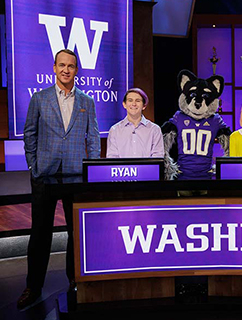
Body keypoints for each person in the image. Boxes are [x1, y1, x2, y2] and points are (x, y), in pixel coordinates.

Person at [19, 49, 101, 309]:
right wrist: (34, 166)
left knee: (75, 232)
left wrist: (93, 169)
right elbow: (29, 134)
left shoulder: (87, 102)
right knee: (40, 234)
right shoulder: (39, 99)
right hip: (45, 175)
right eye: (62, 65)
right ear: (54, 68)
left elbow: (94, 138)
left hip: (76, 176)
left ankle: (74, 281)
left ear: (77, 70)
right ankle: (33, 286)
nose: (66, 70)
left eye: (72, 66)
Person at [107, 88, 164, 158]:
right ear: (124, 104)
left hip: (147, 169)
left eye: (138, 101)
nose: (134, 104)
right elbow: (112, 158)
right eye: (130, 100)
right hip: (123, 169)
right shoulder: (115, 130)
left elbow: (158, 157)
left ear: (144, 106)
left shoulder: (154, 129)